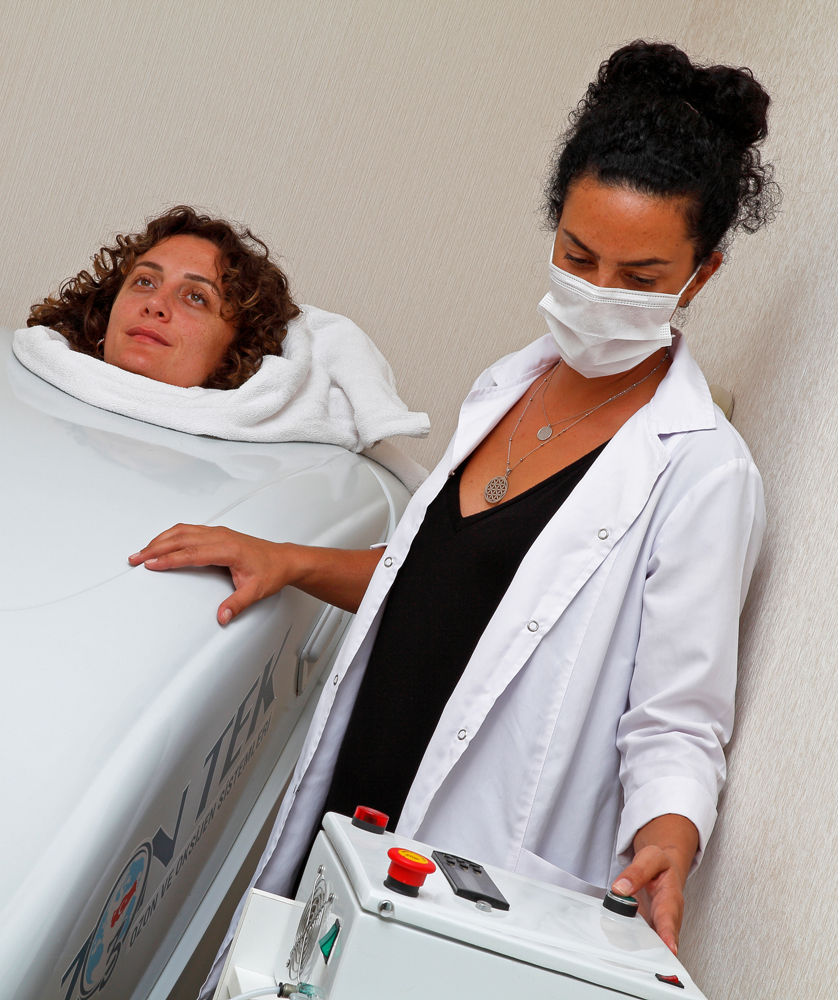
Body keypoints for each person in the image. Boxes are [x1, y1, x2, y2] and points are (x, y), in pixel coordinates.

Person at [130, 40, 777, 968]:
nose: (599, 293)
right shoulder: (509, 384)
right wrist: (288, 559)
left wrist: (670, 837)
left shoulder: (703, 471)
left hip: (477, 849)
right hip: (358, 802)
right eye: (578, 256)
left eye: (639, 278)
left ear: (700, 275)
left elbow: (678, 719)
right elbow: (437, 581)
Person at [27, 205, 300, 389]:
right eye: (145, 281)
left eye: (196, 297)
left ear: (236, 351)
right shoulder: (31, 381)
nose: (155, 303)